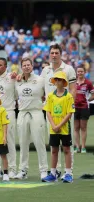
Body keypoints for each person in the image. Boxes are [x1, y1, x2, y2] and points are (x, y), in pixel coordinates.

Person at [40, 44, 76, 178]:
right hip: (51, 112)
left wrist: (68, 106)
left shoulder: (68, 69)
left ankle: (69, 172)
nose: (54, 55)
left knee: (67, 143)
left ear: (61, 54)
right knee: (54, 143)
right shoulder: (45, 70)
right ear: (49, 54)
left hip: (65, 110)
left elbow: (73, 89)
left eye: (56, 53)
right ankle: (55, 171)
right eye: (52, 53)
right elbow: (40, 87)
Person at [15, 58, 48, 180]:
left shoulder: (40, 80)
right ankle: (23, 170)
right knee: (23, 143)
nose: (26, 67)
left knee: (39, 142)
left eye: (28, 65)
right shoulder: (17, 81)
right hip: (22, 113)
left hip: (37, 112)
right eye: (24, 65)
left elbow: (47, 94)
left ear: (32, 66)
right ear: (21, 67)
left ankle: (43, 170)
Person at [42, 71, 75, 183]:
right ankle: (52, 173)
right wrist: (53, 125)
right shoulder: (51, 96)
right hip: (53, 128)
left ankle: (68, 173)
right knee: (54, 150)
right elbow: (48, 111)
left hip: (64, 128)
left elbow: (69, 113)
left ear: (64, 82)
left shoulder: (68, 96)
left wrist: (59, 125)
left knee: (66, 149)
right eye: (56, 79)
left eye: (59, 79)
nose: (57, 81)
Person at [0, 58, 17, 178]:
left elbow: (16, 94)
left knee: (9, 141)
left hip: (8, 111)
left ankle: (12, 169)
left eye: (0, 65)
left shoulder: (12, 77)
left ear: (6, 66)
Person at [74, 66, 94, 153]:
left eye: (81, 71)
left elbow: (93, 95)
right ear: (76, 72)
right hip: (74, 108)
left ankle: (83, 147)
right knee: (75, 128)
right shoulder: (73, 83)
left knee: (83, 128)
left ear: (85, 72)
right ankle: (77, 147)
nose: (80, 73)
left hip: (84, 108)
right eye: (78, 71)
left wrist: (87, 100)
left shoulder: (88, 83)